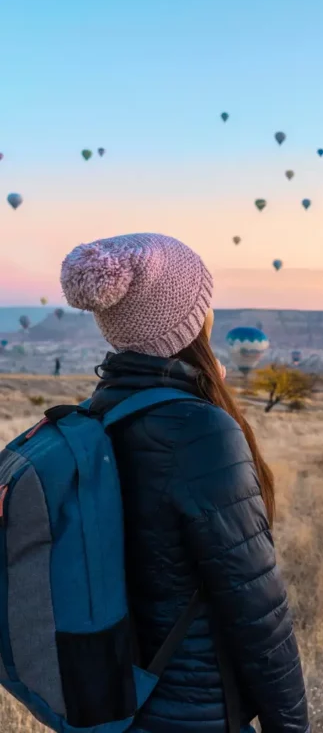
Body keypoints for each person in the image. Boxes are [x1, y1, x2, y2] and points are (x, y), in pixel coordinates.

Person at [60, 233, 310, 733]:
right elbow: (256, 605)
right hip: (192, 707)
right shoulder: (198, 430)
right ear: (191, 321)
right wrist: (291, 724)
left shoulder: (98, 414)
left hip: (113, 702)